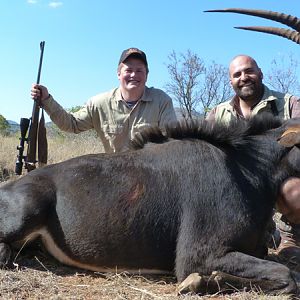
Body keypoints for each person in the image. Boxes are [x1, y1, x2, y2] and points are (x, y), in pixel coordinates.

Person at [207, 54, 300, 263]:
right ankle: (258, 236)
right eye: (237, 74)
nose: (244, 77)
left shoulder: (290, 103)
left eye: (249, 71)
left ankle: (290, 238)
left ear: (260, 74)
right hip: (237, 186)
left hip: (279, 182)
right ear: (231, 81)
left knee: (294, 191)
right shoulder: (217, 114)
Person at [31, 47, 177, 153]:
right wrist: (47, 99)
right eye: (128, 70)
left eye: (139, 70)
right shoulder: (99, 103)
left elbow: (173, 143)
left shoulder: (162, 101)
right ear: (119, 73)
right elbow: (71, 124)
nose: (134, 75)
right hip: (114, 175)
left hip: (151, 175)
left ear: (147, 74)